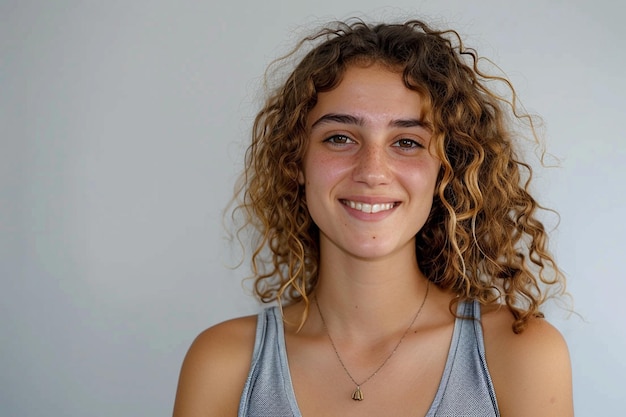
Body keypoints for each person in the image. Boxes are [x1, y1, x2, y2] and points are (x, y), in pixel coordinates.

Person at [172, 19, 573, 417]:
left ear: (447, 169)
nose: (372, 171)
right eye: (340, 138)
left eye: (406, 142)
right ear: (296, 162)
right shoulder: (224, 364)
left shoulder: (521, 355)